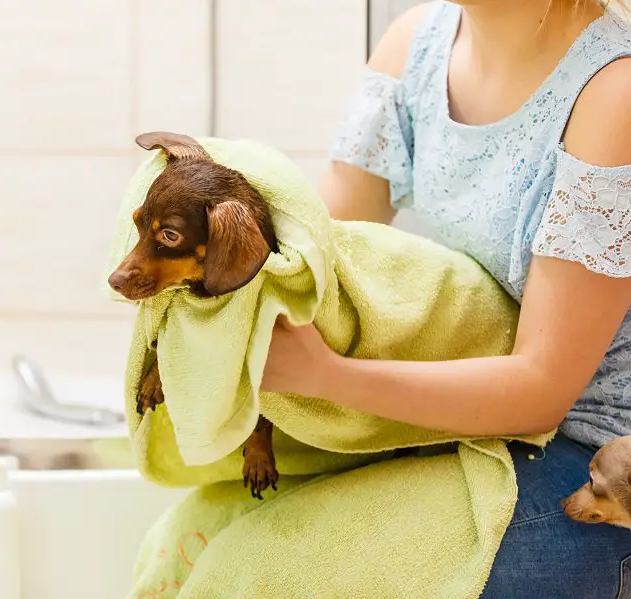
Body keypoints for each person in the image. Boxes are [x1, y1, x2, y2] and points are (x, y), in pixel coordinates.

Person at [260, 0, 631, 596]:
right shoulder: (418, 42)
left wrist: (324, 374)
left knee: (278, 574)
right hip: (484, 425)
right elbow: (319, 251)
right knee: (220, 533)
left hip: (595, 468)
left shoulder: (615, 92)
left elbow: (541, 391)